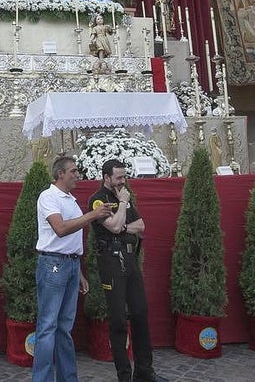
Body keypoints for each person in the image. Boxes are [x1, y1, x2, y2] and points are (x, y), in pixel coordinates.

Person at [33, 155, 112, 382]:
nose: (78, 175)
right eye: (74, 171)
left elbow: (71, 241)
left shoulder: (70, 199)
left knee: (64, 327)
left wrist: (78, 272)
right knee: (48, 326)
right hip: (53, 265)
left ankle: (68, 378)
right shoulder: (48, 197)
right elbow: (60, 229)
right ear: (60, 174)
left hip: (69, 264)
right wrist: (93, 215)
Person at [88, 159, 164, 382]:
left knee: (140, 313)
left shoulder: (126, 197)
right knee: (118, 319)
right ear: (107, 177)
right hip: (111, 261)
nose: (123, 181)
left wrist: (122, 224)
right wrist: (121, 206)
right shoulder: (98, 200)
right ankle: (124, 375)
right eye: (119, 177)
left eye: (124, 177)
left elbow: (140, 226)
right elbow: (111, 226)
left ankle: (144, 371)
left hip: (130, 258)